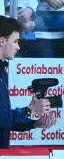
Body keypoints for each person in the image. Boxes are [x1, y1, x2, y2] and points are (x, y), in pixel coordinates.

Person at [0, 16, 59, 148]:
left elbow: (5, 121)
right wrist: (28, 110)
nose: (18, 47)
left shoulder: (2, 72)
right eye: (15, 41)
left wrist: (34, 123)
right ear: (2, 41)